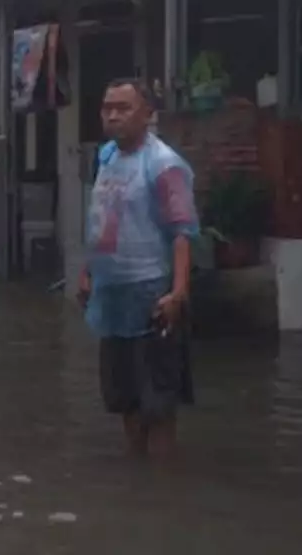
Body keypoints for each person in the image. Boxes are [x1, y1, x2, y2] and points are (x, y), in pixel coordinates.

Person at [78, 78, 199, 460]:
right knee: (123, 395)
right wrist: (87, 270)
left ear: (148, 114)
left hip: (151, 292)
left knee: (158, 399)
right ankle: (136, 475)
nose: (113, 115)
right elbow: (102, 218)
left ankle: (162, 486)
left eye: (123, 108)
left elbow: (183, 231)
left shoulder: (163, 164)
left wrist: (178, 291)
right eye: (107, 107)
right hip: (112, 294)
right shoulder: (108, 156)